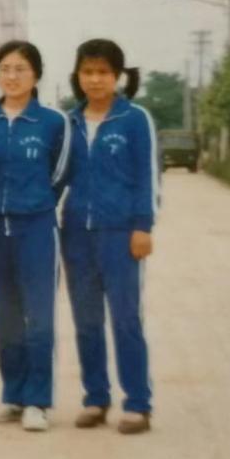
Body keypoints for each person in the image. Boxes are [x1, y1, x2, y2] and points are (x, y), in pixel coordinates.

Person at [60, 39, 159, 435]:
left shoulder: (134, 119)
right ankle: (96, 398)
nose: (95, 79)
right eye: (88, 72)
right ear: (78, 76)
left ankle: (137, 404)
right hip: (76, 234)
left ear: (117, 76)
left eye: (103, 72)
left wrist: (143, 226)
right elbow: (57, 176)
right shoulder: (69, 122)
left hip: (120, 234)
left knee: (125, 319)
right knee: (86, 321)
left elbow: (147, 176)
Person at [0, 41, 71, 433]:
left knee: (39, 315)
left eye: (21, 69)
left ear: (36, 75)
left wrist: (37, 201)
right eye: (5, 69)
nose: (12, 76)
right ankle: (12, 396)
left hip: (36, 227)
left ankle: (37, 401)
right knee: (4, 313)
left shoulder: (53, 122)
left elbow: (60, 173)